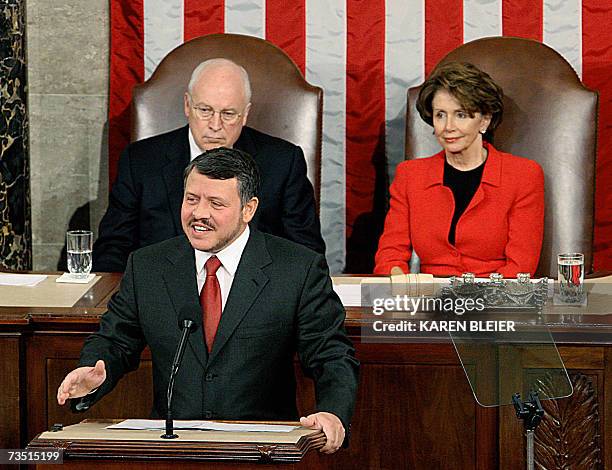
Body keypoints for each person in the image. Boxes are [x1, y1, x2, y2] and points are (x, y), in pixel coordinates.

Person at [57, 147, 359, 454]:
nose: (199, 214)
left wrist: (333, 412)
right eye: (191, 200)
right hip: (171, 447)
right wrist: (93, 374)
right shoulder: (148, 265)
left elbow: (330, 353)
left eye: (216, 203)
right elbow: (115, 340)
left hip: (262, 449)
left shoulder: (297, 268)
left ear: (248, 209)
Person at [93, 58, 325, 273]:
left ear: (245, 114)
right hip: (160, 291)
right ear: (187, 105)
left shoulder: (282, 161)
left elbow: (306, 252)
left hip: (252, 297)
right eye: (205, 110)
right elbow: (113, 248)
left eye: (228, 113)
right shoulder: (141, 160)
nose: (215, 125)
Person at [375, 62, 544, 277]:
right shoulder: (411, 176)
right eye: (440, 115)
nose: (448, 127)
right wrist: (398, 283)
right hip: (430, 302)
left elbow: (520, 267)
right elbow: (390, 253)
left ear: (484, 120)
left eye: (461, 115)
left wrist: (474, 303)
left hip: (495, 302)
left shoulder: (523, 176)